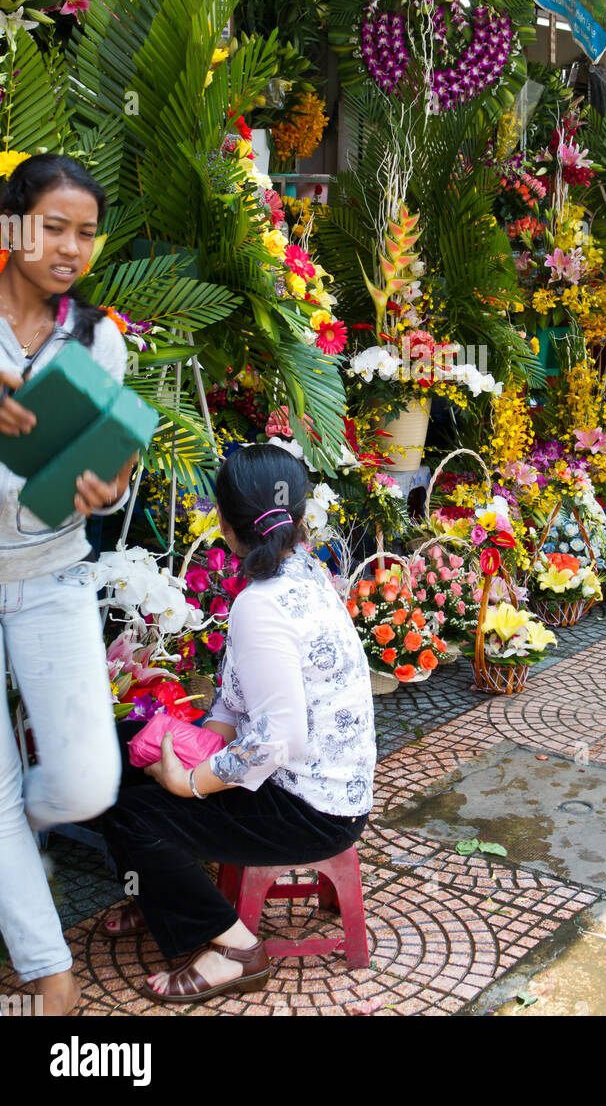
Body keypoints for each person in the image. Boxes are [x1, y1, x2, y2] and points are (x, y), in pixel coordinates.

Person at [100, 444, 376, 1008]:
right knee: (122, 756)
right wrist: (198, 736)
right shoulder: (305, 570)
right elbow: (241, 699)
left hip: (310, 808)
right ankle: (160, 892)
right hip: (314, 783)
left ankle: (237, 949)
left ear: (224, 522)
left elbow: (279, 739)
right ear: (298, 517)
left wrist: (192, 782)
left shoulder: (263, 602)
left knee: (131, 814)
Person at [0, 154, 138, 1016]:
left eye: (84, 234)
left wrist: (110, 486)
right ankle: (53, 975)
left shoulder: (97, 339)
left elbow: (113, 458)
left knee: (88, 783)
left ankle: (7, 830)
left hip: (51, 574)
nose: (71, 248)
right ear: (10, 227)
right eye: (54, 227)